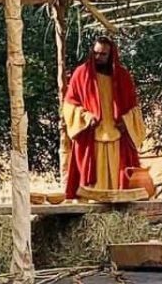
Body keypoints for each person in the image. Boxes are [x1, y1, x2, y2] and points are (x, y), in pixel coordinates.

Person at [62, 36, 146, 199]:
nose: (98, 58)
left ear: (111, 55)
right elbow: (69, 105)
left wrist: (126, 121)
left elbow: (134, 108)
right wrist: (86, 117)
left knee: (119, 184)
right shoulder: (81, 74)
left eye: (103, 54)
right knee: (92, 187)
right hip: (92, 139)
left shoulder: (123, 76)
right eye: (96, 53)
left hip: (117, 138)